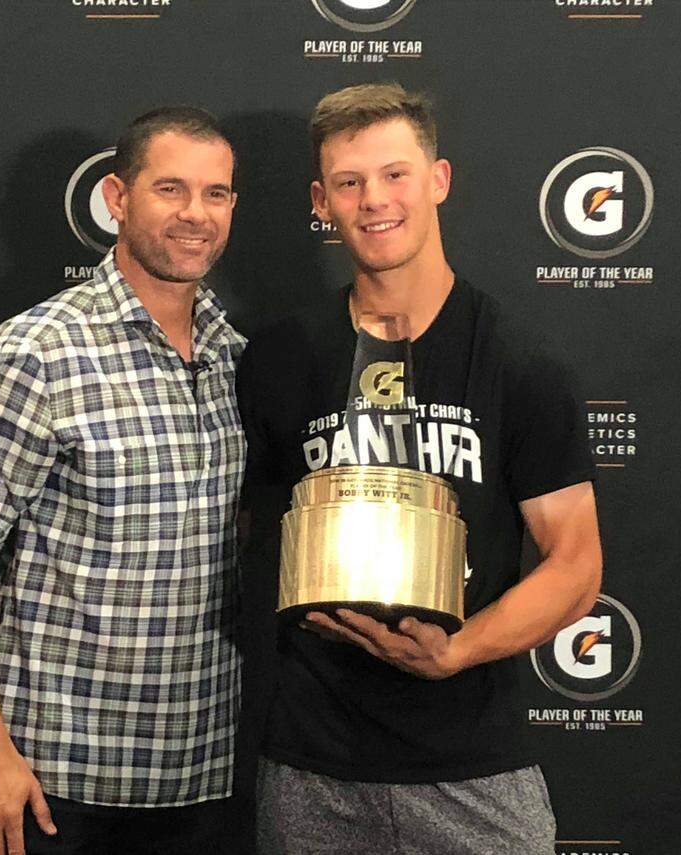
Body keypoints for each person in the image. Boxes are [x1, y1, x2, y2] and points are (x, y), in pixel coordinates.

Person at [237, 83, 602, 854]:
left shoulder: (516, 359)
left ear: (437, 180)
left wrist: (457, 650)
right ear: (320, 199)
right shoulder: (277, 360)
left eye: (395, 174)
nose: (375, 200)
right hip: (312, 765)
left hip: (473, 768)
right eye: (349, 181)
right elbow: (242, 541)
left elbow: (576, 565)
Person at [0, 106, 244, 855]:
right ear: (117, 198)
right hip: (50, 779)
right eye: (170, 189)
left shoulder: (235, 355)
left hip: (198, 777)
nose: (196, 214)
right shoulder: (40, 350)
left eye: (216, 193)